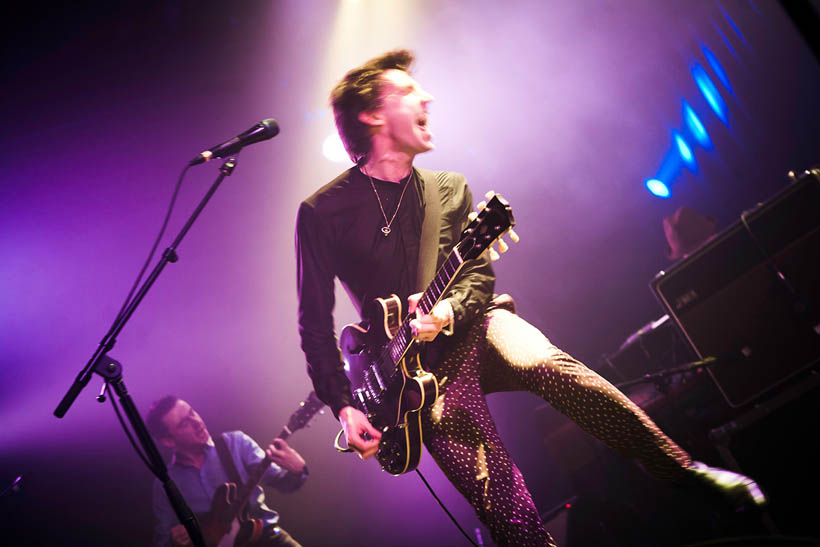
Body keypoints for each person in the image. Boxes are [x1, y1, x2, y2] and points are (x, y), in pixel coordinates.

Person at [295, 49, 765, 547]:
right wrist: (345, 406)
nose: (426, 95)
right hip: (410, 378)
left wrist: (448, 310)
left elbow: (478, 279)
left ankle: (685, 471)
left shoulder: (449, 190)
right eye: (408, 91)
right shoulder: (322, 212)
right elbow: (313, 325)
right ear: (371, 114)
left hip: (476, 326)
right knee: (496, 494)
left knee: (547, 364)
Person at [145, 396, 308, 547]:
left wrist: (298, 469)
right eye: (184, 423)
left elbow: (283, 483)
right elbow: (162, 539)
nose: (196, 422)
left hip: (264, 537)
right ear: (168, 441)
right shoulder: (166, 483)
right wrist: (174, 540)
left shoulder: (236, 443)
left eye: (192, 413)